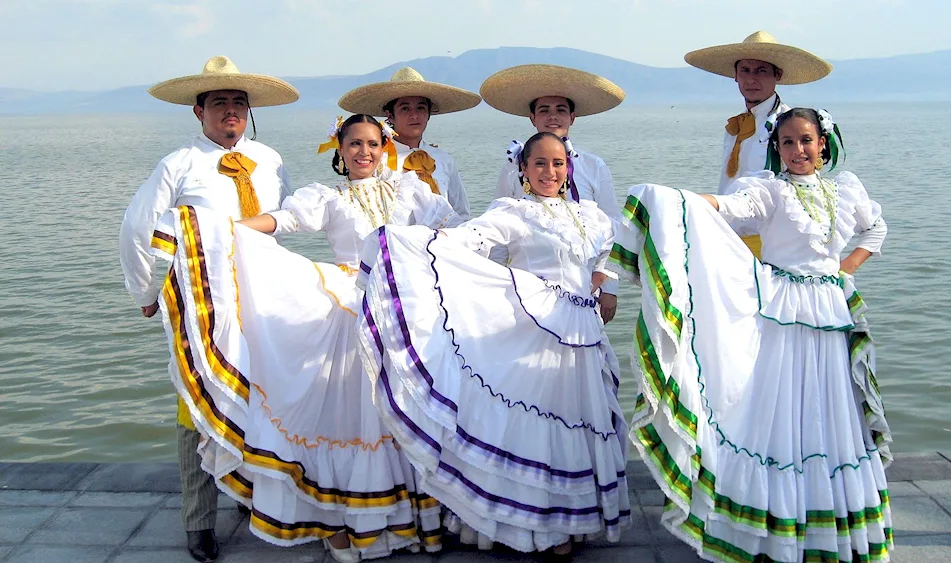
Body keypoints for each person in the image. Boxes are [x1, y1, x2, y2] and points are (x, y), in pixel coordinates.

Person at [148, 114, 462, 562]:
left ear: (385, 147)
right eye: (354, 144)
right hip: (350, 305)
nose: (364, 153)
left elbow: (452, 225)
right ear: (340, 149)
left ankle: (402, 520)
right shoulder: (328, 197)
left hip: (403, 308)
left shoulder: (411, 189)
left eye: (373, 143)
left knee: (398, 411)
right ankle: (339, 520)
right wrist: (221, 231)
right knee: (350, 417)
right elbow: (282, 220)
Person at [613, 108, 891, 562]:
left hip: (830, 308)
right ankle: (772, 522)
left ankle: (825, 520)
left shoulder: (847, 190)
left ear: (823, 143)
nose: (798, 150)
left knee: (830, 409)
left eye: (806, 140)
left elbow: (874, 228)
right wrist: (670, 199)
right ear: (776, 148)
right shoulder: (770, 190)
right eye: (788, 142)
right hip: (783, 308)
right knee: (780, 406)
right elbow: (728, 209)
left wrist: (844, 269)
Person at [357, 132, 631, 560]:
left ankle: (575, 517)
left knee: (579, 421)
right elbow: (469, 240)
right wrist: (412, 243)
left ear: (569, 167)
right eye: (539, 163)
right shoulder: (514, 213)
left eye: (557, 164)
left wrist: (604, 282)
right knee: (540, 425)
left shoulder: (591, 216)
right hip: (533, 328)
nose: (549, 172)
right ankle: (542, 526)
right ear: (522, 169)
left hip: (582, 331)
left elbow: (601, 259)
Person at [118, 55, 298, 563]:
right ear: (198, 111)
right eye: (219, 103)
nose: (230, 112)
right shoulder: (179, 163)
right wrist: (145, 292)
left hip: (260, 297)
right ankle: (199, 522)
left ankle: (250, 495)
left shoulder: (270, 159)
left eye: (238, 102)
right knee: (196, 405)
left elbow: (285, 220)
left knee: (259, 395)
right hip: (199, 303)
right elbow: (137, 225)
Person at [482, 64, 624, 323]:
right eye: (544, 110)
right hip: (528, 287)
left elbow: (614, 229)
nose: (553, 117)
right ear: (532, 118)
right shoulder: (513, 167)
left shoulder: (593, 166)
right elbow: (498, 227)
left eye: (561, 110)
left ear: (573, 117)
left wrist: (609, 287)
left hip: (587, 285)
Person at [684, 31, 832, 258]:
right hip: (729, 239)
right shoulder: (735, 127)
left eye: (761, 71)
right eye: (745, 70)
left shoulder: (789, 127)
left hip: (772, 244)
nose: (751, 79)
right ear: (735, 75)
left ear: (777, 75)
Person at [338, 67, 480, 221]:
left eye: (421, 108)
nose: (414, 115)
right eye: (405, 108)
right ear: (390, 115)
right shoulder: (377, 161)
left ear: (428, 114)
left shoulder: (444, 160)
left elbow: (461, 211)